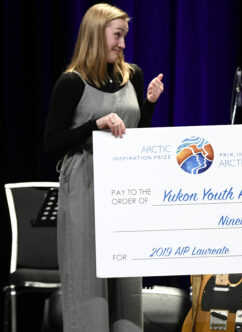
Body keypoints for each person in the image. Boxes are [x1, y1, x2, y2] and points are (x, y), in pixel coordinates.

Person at [44, 3, 164, 331]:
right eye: (117, 36)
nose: (123, 44)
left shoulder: (133, 76)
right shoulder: (72, 82)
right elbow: (51, 141)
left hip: (124, 188)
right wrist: (93, 125)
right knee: (87, 281)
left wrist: (149, 105)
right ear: (97, 35)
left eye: (125, 37)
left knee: (125, 283)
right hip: (84, 185)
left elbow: (136, 136)